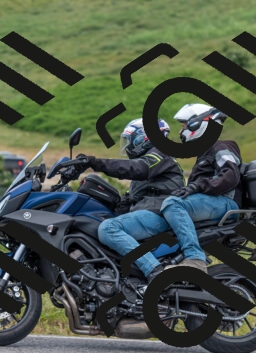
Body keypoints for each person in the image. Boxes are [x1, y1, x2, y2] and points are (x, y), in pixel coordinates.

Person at [76, 118, 184, 285]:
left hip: (160, 213)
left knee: (109, 228)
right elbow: (134, 197)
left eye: (130, 140)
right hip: (150, 213)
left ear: (143, 138)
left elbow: (135, 168)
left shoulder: (160, 154)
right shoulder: (150, 162)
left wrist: (95, 163)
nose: (128, 145)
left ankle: (154, 270)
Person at [159, 103, 243, 273]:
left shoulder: (220, 146)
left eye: (184, 126)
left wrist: (197, 186)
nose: (180, 131)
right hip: (213, 202)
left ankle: (195, 259)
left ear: (197, 124)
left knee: (174, 204)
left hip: (225, 202)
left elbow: (231, 175)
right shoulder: (205, 152)